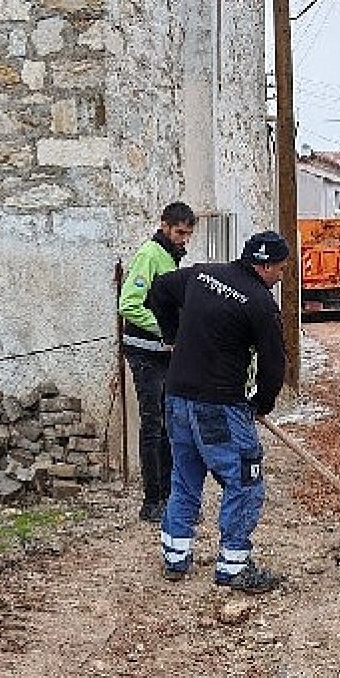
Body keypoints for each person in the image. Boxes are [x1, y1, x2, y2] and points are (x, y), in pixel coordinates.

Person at [145, 231, 290, 594]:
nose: (282, 276)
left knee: (185, 474)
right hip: (220, 405)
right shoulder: (260, 303)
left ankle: (175, 557)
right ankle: (234, 565)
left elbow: (158, 291)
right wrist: (263, 403)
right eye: (282, 269)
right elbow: (275, 365)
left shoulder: (200, 275)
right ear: (267, 265)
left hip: (177, 397)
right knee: (244, 479)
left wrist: (172, 336)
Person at [118, 202, 197, 522]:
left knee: (169, 426)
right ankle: (152, 500)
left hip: (163, 352)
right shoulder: (150, 255)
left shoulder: (171, 257)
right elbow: (129, 305)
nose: (183, 240)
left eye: (188, 234)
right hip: (145, 352)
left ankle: (169, 496)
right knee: (153, 426)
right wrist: (168, 328)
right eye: (179, 232)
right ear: (164, 226)